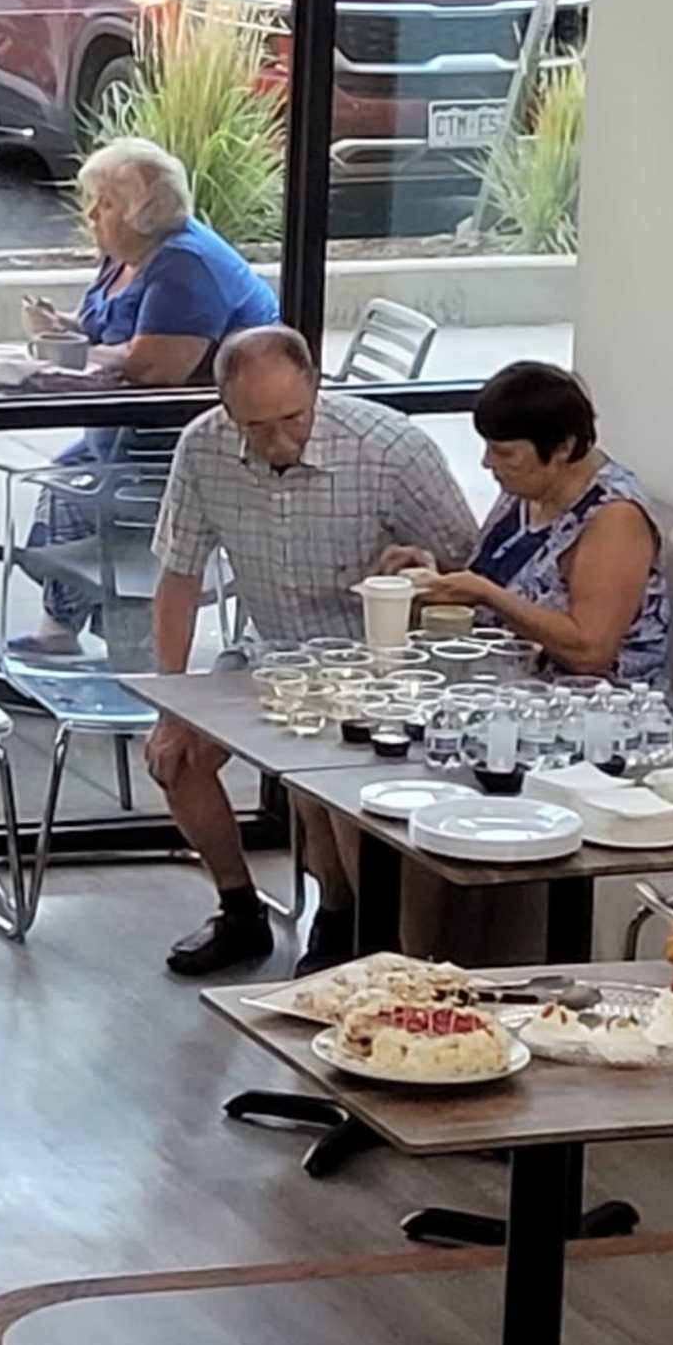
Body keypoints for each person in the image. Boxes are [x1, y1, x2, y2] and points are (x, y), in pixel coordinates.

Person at [144, 325, 477, 976]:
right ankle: (240, 909)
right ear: (225, 410)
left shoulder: (389, 449)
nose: (276, 440)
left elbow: (469, 562)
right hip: (269, 649)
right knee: (177, 757)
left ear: (317, 388)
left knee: (318, 764)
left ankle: (339, 917)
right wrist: (172, 701)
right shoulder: (203, 448)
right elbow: (178, 578)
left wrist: (423, 569)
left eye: (292, 417)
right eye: (254, 424)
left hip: (377, 662)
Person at [11, 142, 273, 640]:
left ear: (143, 212)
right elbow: (107, 331)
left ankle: (118, 635)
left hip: (182, 445)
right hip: (131, 432)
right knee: (59, 482)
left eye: (105, 203)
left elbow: (153, 368)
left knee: (72, 495)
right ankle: (71, 631)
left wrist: (59, 352)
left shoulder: (185, 267)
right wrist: (59, 325)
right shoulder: (125, 255)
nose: (91, 213)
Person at [411, 360, 672, 685]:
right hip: (502, 688)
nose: (487, 463)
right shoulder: (528, 489)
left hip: (589, 710)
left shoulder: (614, 516)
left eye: (504, 453)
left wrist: (486, 595)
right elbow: (502, 581)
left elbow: (590, 650)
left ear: (563, 446)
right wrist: (434, 574)